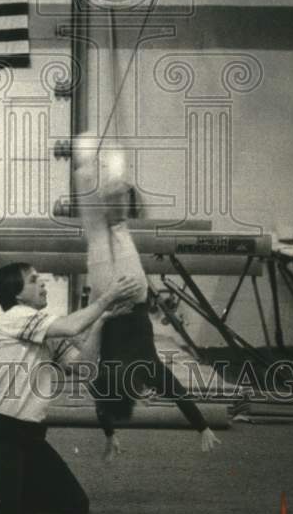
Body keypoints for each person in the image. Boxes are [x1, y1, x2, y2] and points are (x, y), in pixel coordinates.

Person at [0, 262, 142, 514]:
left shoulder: (44, 329)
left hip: (32, 436)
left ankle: (3, 479)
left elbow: (82, 368)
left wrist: (102, 322)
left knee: (76, 504)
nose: (42, 283)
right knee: (1, 513)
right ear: (17, 295)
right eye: (33, 280)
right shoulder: (15, 316)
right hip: (1, 432)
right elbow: (72, 327)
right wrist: (108, 298)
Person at [73, 133, 221, 461]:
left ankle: (97, 166)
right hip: (109, 291)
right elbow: (102, 407)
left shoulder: (148, 371)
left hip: (129, 292)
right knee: (100, 231)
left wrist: (203, 427)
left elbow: (180, 396)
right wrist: (109, 435)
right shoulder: (107, 380)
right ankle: (86, 167)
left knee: (114, 227)